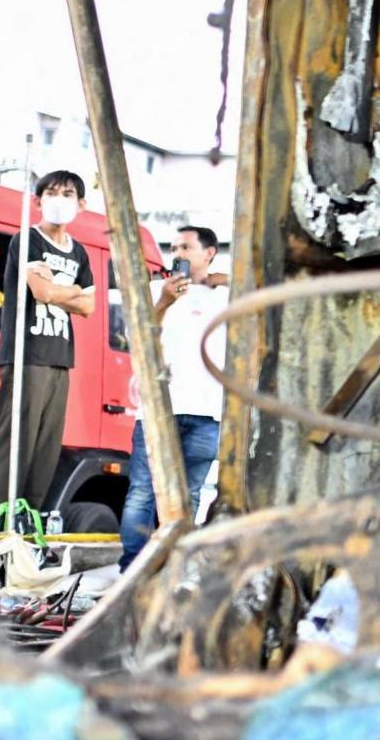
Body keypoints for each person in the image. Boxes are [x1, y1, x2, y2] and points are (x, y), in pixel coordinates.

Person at [0, 170, 97, 524]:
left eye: (68, 193)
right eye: (52, 193)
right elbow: (43, 293)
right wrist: (68, 291)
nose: (60, 199)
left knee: (45, 451)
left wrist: (59, 289)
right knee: (13, 443)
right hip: (27, 355)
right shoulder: (27, 240)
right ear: (39, 201)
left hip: (60, 358)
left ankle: (26, 528)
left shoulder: (80, 253)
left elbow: (89, 307)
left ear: (81, 203)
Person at [120, 225, 229, 567]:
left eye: (186, 247)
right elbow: (136, 336)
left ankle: (171, 566)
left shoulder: (225, 294)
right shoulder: (155, 290)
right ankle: (133, 567)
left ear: (209, 253)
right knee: (142, 491)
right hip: (158, 410)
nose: (177, 254)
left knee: (189, 495)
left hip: (207, 411)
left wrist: (222, 279)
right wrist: (165, 302)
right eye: (174, 247)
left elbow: (264, 289)